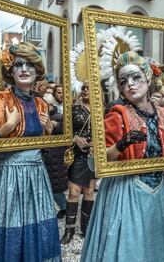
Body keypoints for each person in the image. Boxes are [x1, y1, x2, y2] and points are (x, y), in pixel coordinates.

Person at [81, 51, 164, 261]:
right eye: (124, 81)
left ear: (148, 78)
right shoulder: (117, 114)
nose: (130, 84)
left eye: (136, 77)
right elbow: (95, 162)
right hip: (126, 193)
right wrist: (121, 144)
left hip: (159, 193)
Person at [0, 42, 61, 261]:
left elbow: (44, 144)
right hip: (9, 175)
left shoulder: (41, 104)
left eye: (30, 65)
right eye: (19, 65)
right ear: (11, 71)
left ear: (37, 72)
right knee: (10, 228)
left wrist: (49, 131)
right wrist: (6, 128)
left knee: (39, 230)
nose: (24, 69)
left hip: (37, 174)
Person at [61, 83, 96, 244]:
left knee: (89, 192)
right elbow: (62, 129)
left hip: (94, 155)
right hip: (77, 155)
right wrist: (74, 138)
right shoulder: (73, 109)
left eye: (89, 87)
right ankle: (69, 230)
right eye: (84, 88)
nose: (86, 90)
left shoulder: (101, 110)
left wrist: (99, 145)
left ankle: (86, 228)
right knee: (74, 192)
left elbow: (109, 131)